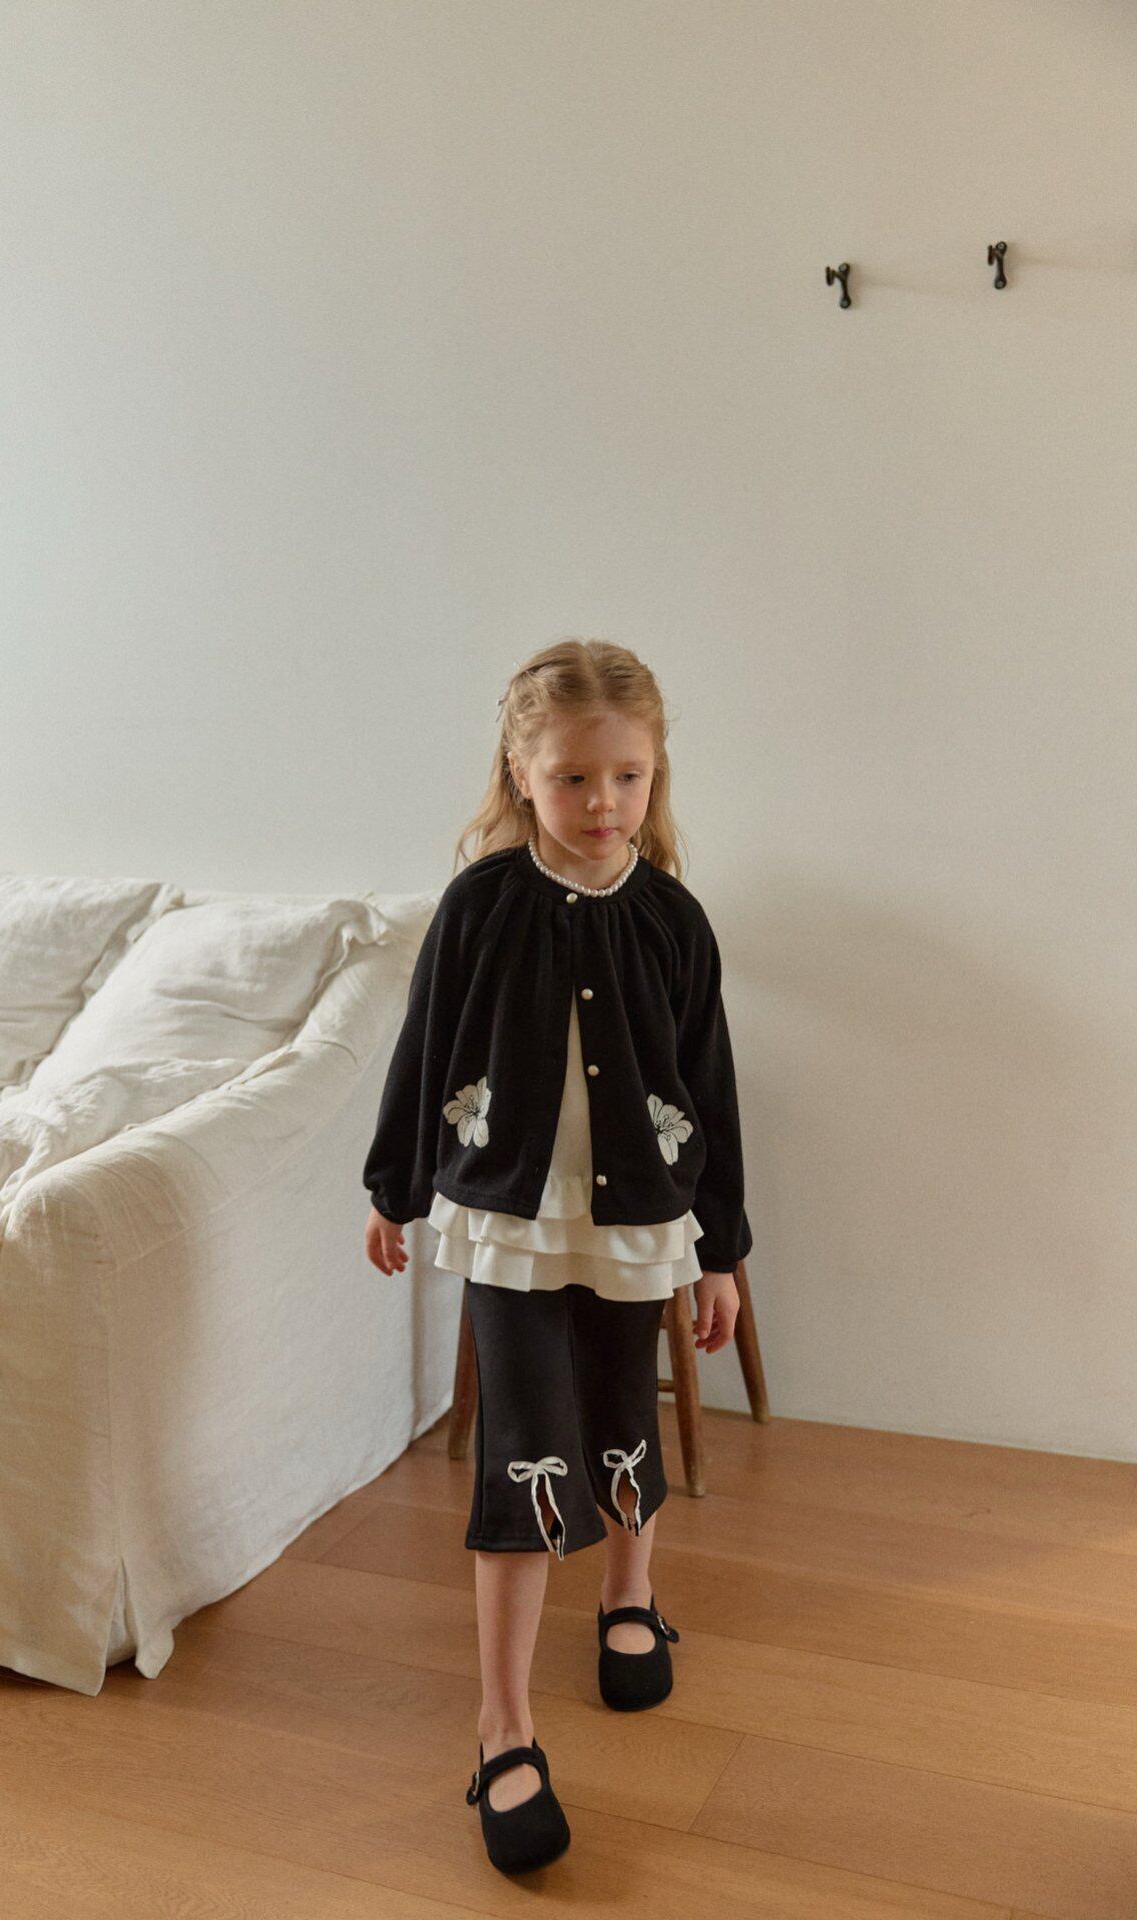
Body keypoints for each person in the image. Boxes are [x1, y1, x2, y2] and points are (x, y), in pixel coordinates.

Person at [362, 637, 752, 1874]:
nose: (601, 804)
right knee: (524, 1449)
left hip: (638, 1220)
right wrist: (391, 1186)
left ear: (654, 774)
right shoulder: (479, 905)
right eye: (573, 778)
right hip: (508, 1223)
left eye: (626, 777)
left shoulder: (673, 922)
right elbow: (425, 1047)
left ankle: (628, 1596)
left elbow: (710, 1089)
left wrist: (721, 1250)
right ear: (519, 773)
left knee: (621, 1419)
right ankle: (502, 1726)